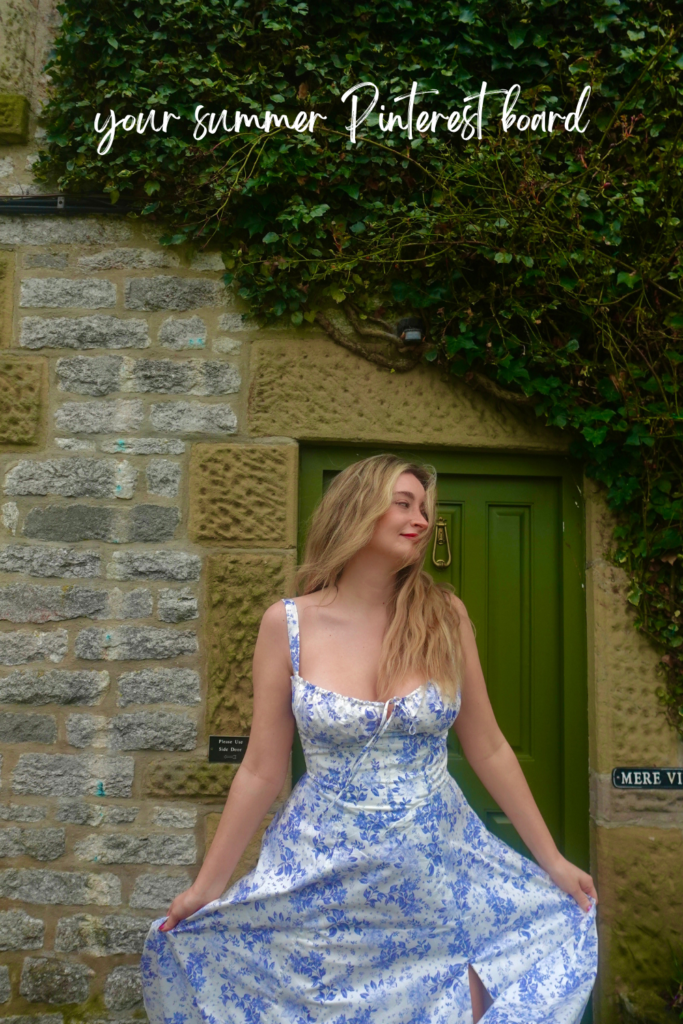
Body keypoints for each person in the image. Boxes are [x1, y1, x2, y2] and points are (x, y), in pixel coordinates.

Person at [141, 453, 598, 1024]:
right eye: (403, 503)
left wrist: (551, 859)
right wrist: (207, 888)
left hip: (439, 876)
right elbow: (261, 770)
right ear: (357, 512)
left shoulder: (443, 616)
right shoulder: (287, 624)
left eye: (425, 508)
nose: (422, 519)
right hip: (322, 880)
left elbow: (489, 746)